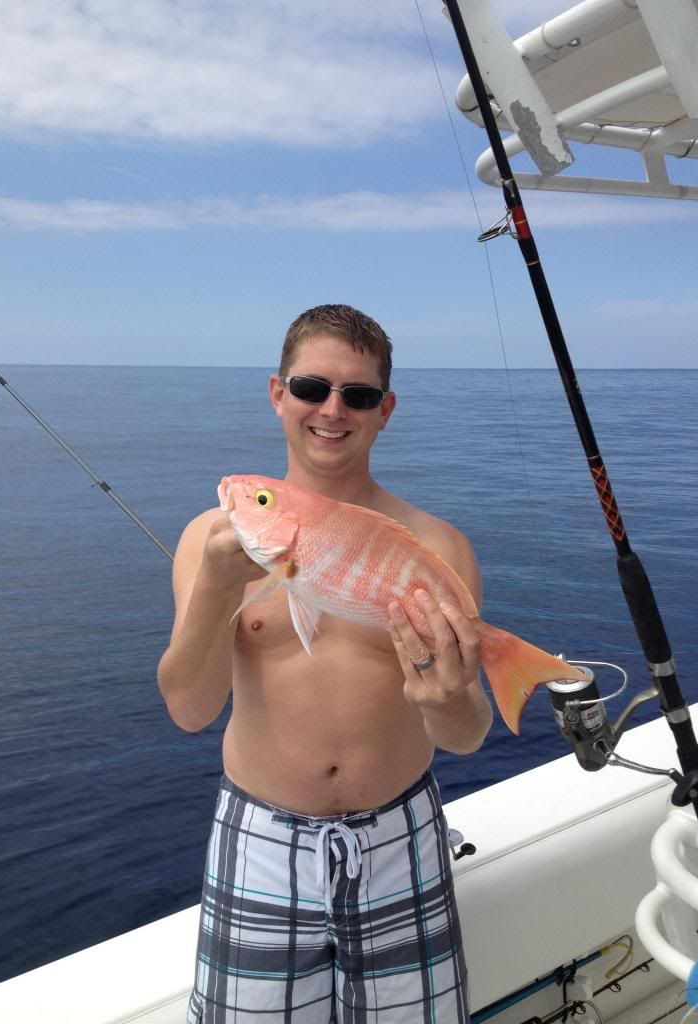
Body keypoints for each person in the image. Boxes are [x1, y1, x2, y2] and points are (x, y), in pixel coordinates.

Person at [158, 304, 493, 1023]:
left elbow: (466, 735)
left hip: (401, 836)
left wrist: (445, 695)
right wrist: (217, 585)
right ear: (278, 393)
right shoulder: (211, 541)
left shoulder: (437, 549)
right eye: (312, 388)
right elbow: (189, 709)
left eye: (359, 395)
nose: (332, 410)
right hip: (260, 840)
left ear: (385, 411)